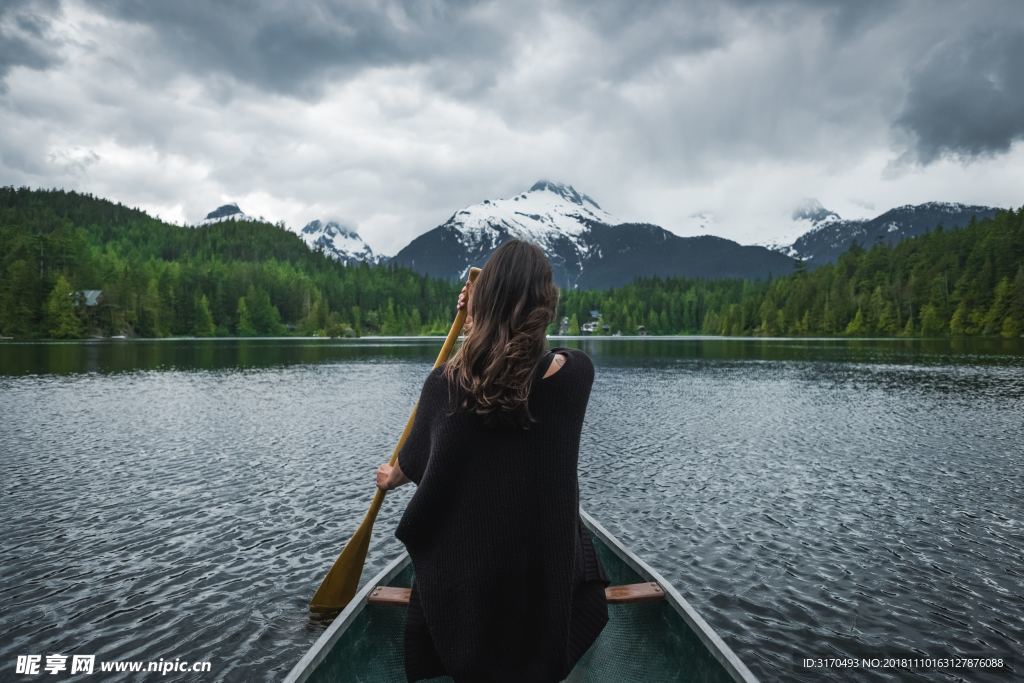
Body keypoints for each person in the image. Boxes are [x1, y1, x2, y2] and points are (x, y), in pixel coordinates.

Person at [375, 239, 609, 682]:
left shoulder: (443, 385)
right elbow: (536, 362)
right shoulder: (576, 376)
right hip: (541, 579)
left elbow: (415, 461)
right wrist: (484, 315)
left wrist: (472, 322)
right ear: (546, 304)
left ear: (484, 304)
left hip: (466, 586)